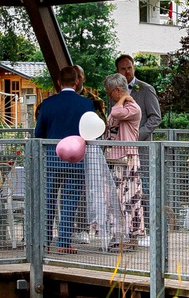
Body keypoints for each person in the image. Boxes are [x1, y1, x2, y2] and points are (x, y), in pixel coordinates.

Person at [32, 64, 98, 252]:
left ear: (59, 83)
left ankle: (44, 243)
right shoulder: (86, 104)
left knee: (48, 200)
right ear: (77, 82)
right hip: (76, 159)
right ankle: (63, 243)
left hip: (52, 158)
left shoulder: (47, 104)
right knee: (70, 201)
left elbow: (39, 133)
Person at [102, 72, 148, 250]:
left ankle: (131, 236)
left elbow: (116, 112)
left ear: (117, 90)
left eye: (110, 92)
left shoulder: (132, 108)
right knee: (115, 198)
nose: (109, 96)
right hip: (115, 157)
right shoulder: (124, 106)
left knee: (129, 198)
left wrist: (123, 99)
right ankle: (120, 235)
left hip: (127, 158)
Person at [114, 54, 161, 141]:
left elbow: (155, 117)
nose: (127, 71)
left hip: (141, 146)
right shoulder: (114, 91)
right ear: (117, 71)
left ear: (134, 68)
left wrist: (137, 135)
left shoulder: (147, 89)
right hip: (119, 145)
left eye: (129, 68)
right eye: (123, 69)